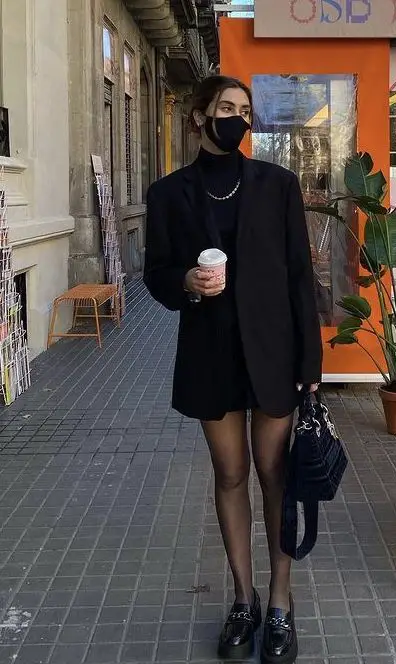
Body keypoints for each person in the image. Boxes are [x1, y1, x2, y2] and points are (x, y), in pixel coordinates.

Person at [144, 75, 322, 664]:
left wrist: (311, 366)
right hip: (211, 356)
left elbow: (300, 278)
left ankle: (280, 600)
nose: (236, 119)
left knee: (276, 475)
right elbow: (157, 273)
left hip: (272, 354)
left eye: (244, 111)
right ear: (199, 116)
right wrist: (186, 284)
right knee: (230, 476)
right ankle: (243, 598)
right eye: (225, 108)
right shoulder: (169, 193)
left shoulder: (278, 186)